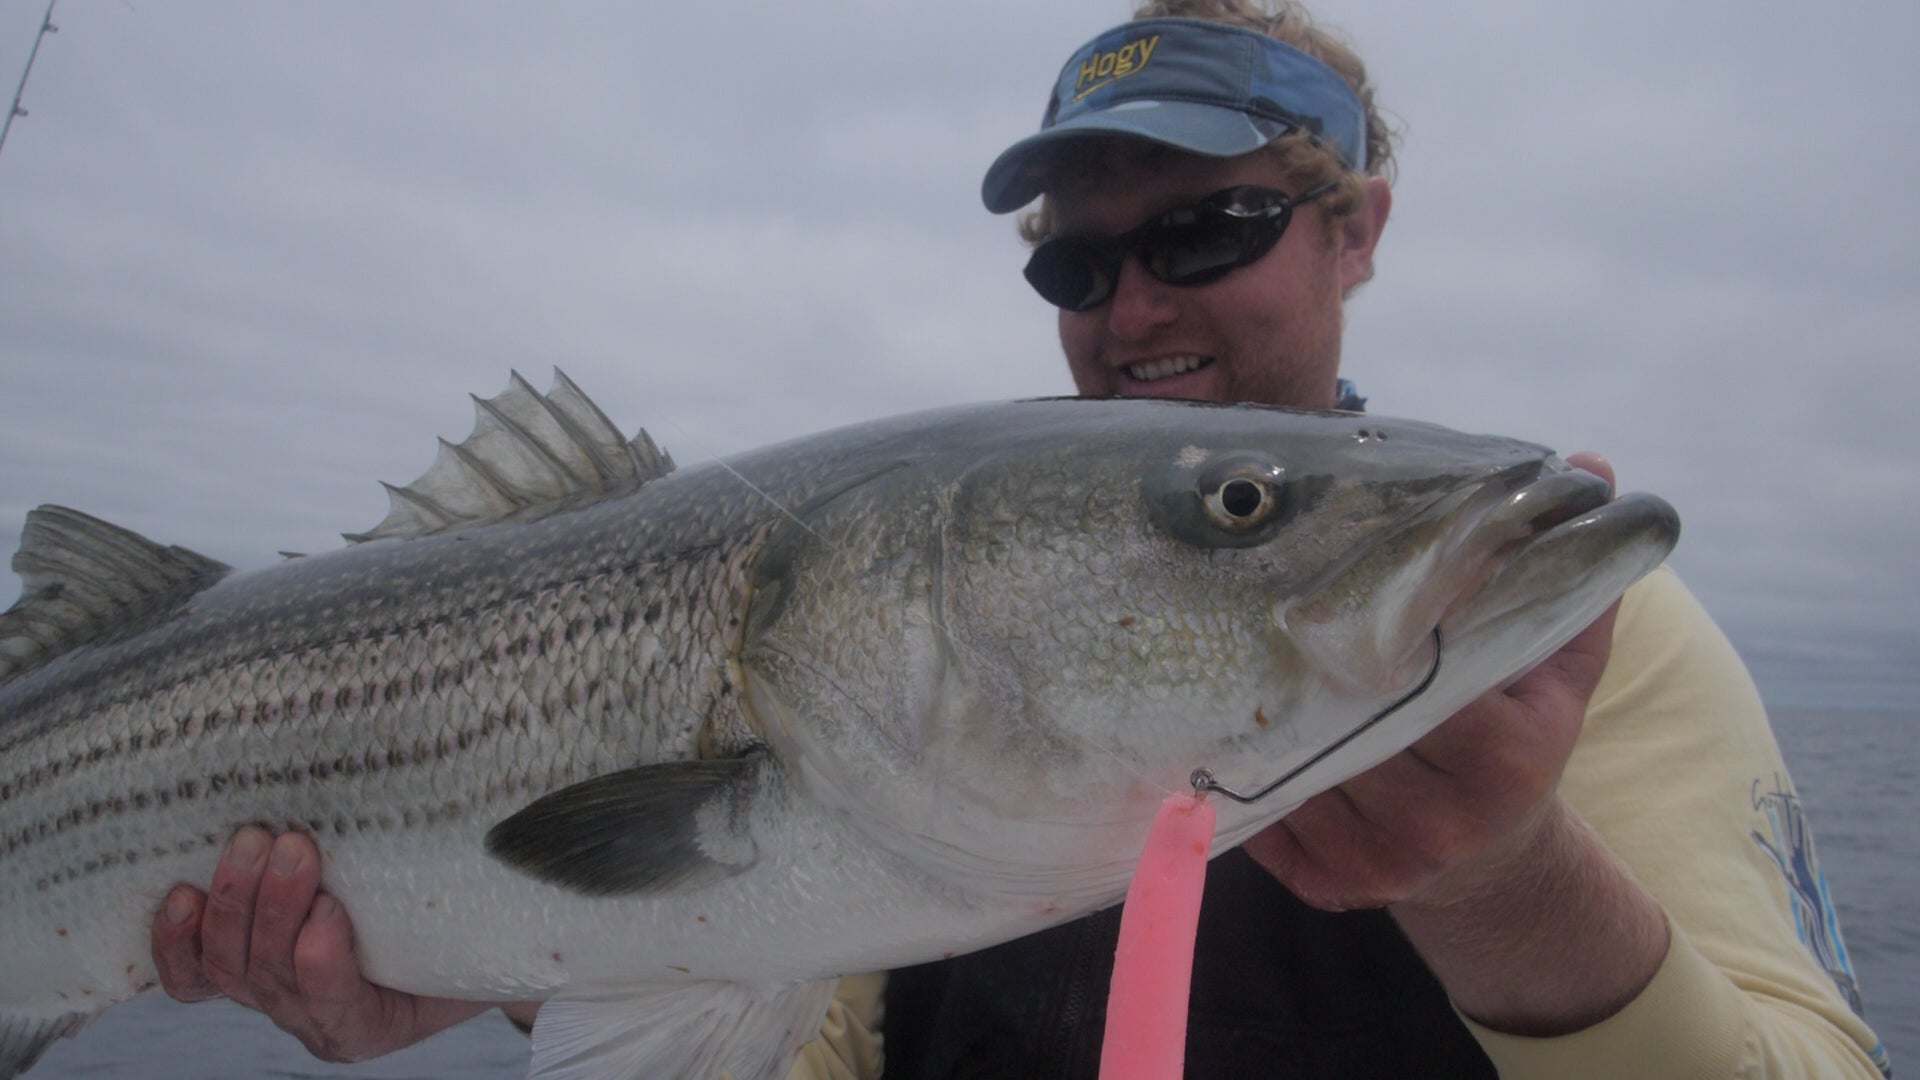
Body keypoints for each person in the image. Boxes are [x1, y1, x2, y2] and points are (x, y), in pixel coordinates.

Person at [152, 1, 1893, 1077]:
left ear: (1355, 231)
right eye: (1076, 261)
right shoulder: (912, 682)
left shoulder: (1569, 640)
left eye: (1207, 231)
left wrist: (1504, 881)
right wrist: (486, 978)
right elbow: (790, 1044)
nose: (1132, 308)